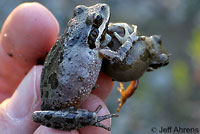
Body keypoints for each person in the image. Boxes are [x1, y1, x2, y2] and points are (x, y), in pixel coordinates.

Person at [0, 2, 114, 134]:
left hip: (54, 91)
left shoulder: (85, 44)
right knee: (92, 117)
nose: (102, 8)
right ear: (93, 34)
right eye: (97, 20)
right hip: (61, 107)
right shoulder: (93, 47)